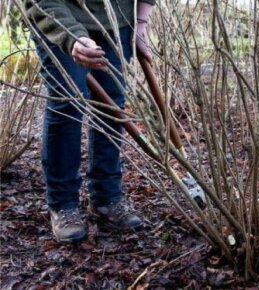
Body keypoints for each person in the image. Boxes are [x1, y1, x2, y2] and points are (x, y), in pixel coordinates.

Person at [25, 0, 155, 243]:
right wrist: (71, 37)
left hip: (117, 18)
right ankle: (63, 204)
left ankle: (107, 197)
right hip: (59, 11)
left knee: (111, 104)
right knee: (68, 101)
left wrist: (140, 22)